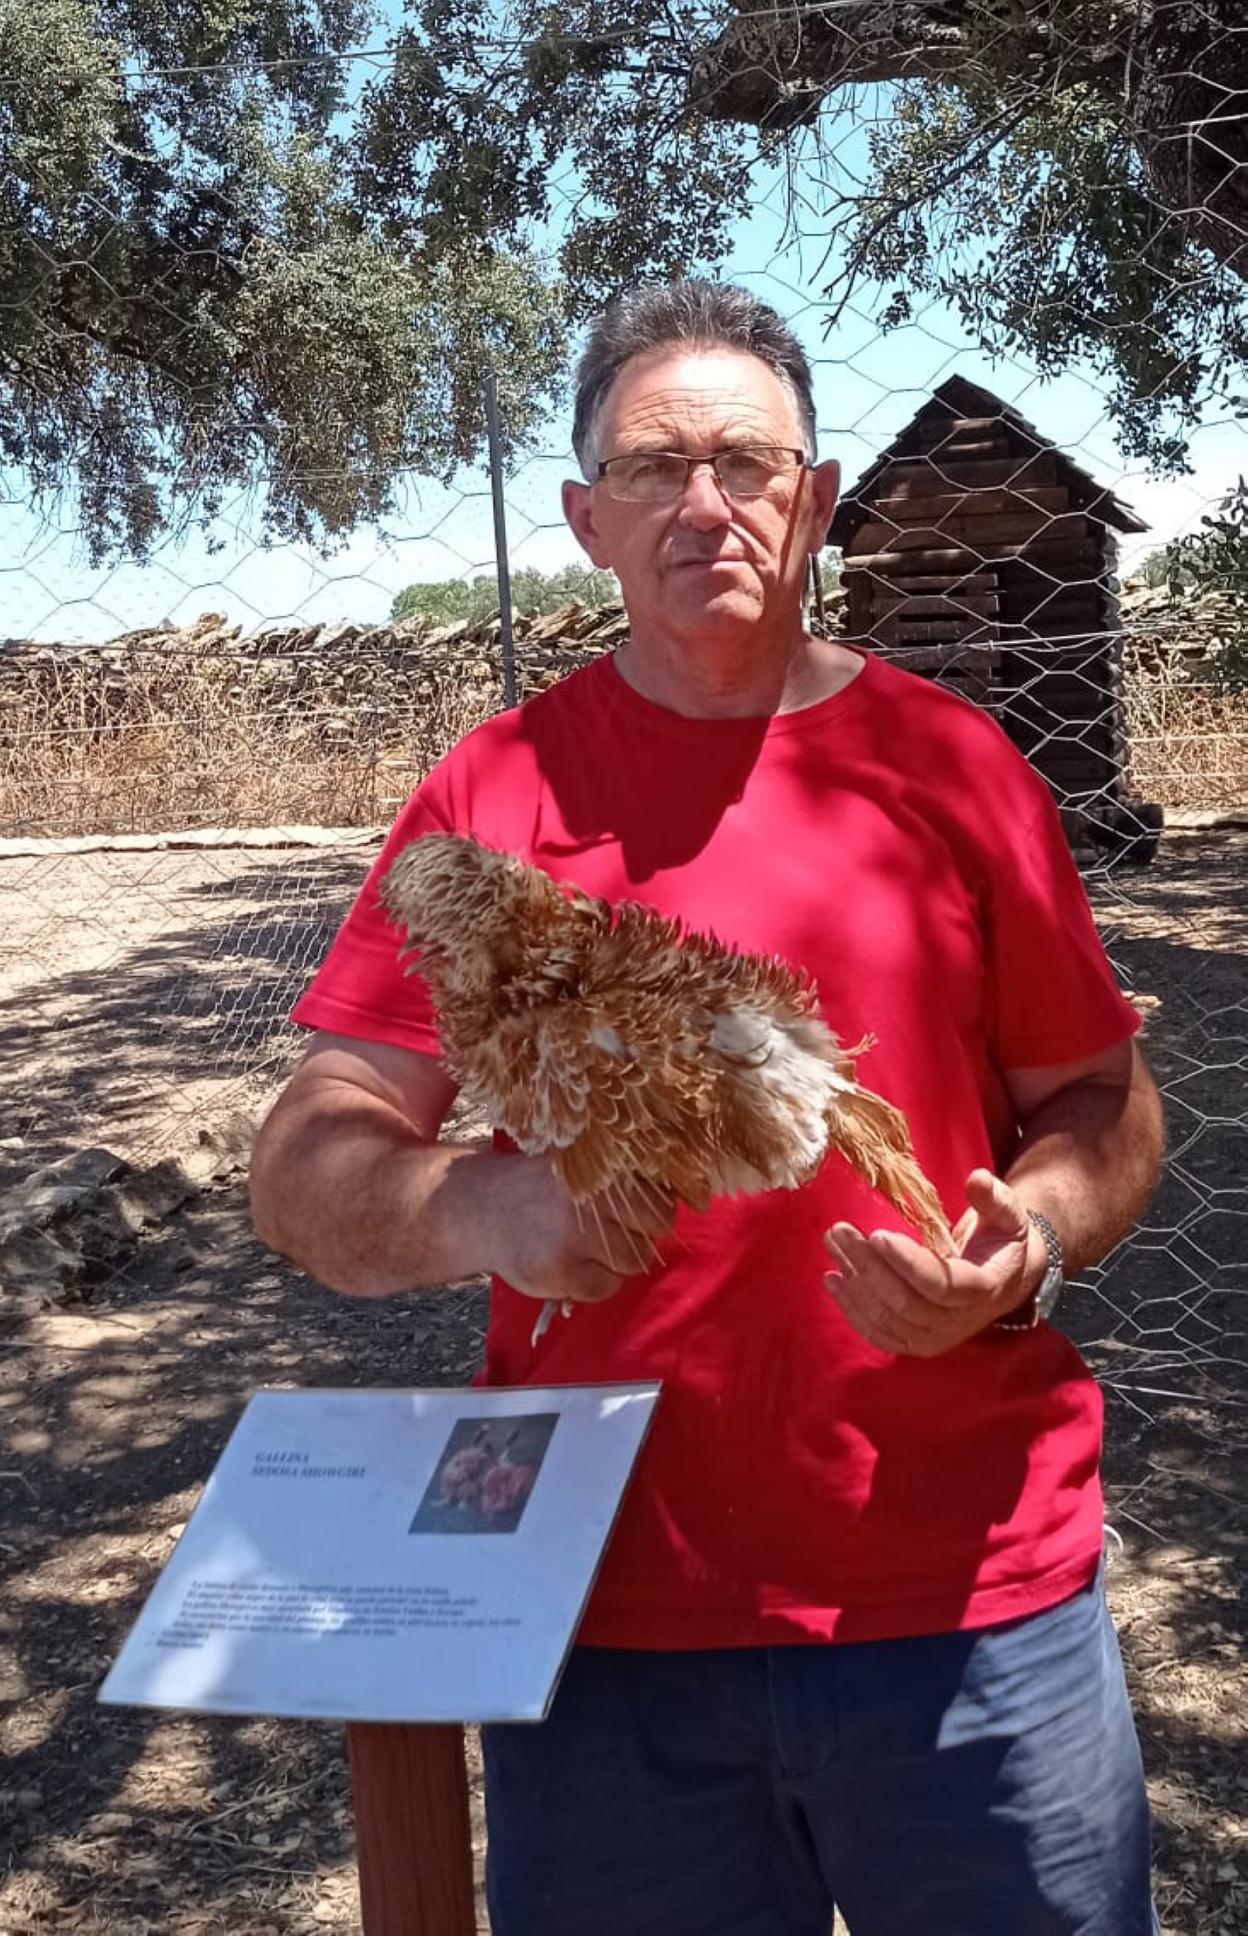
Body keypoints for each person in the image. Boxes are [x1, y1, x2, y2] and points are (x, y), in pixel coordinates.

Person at [250, 280, 1165, 1935]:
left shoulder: (955, 766)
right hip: (607, 1621)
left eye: (748, 462)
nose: (706, 503)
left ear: (814, 501)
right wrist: (477, 1208)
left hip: (964, 1598)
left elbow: (1105, 1102)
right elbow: (308, 1153)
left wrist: (1023, 1242)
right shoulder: (491, 795)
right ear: (587, 521)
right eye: (657, 468)